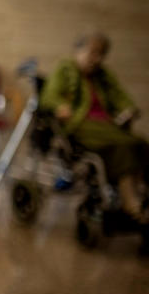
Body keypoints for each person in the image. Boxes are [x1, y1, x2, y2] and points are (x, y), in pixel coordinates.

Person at [40, 32, 148, 219]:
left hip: (107, 126)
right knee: (123, 146)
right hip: (80, 125)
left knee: (141, 143)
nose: (97, 59)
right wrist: (59, 106)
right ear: (79, 50)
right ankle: (130, 202)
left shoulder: (103, 76)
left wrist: (128, 110)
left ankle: (142, 194)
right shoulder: (65, 69)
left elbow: (122, 98)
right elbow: (49, 96)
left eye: (101, 54)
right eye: (93, 53)